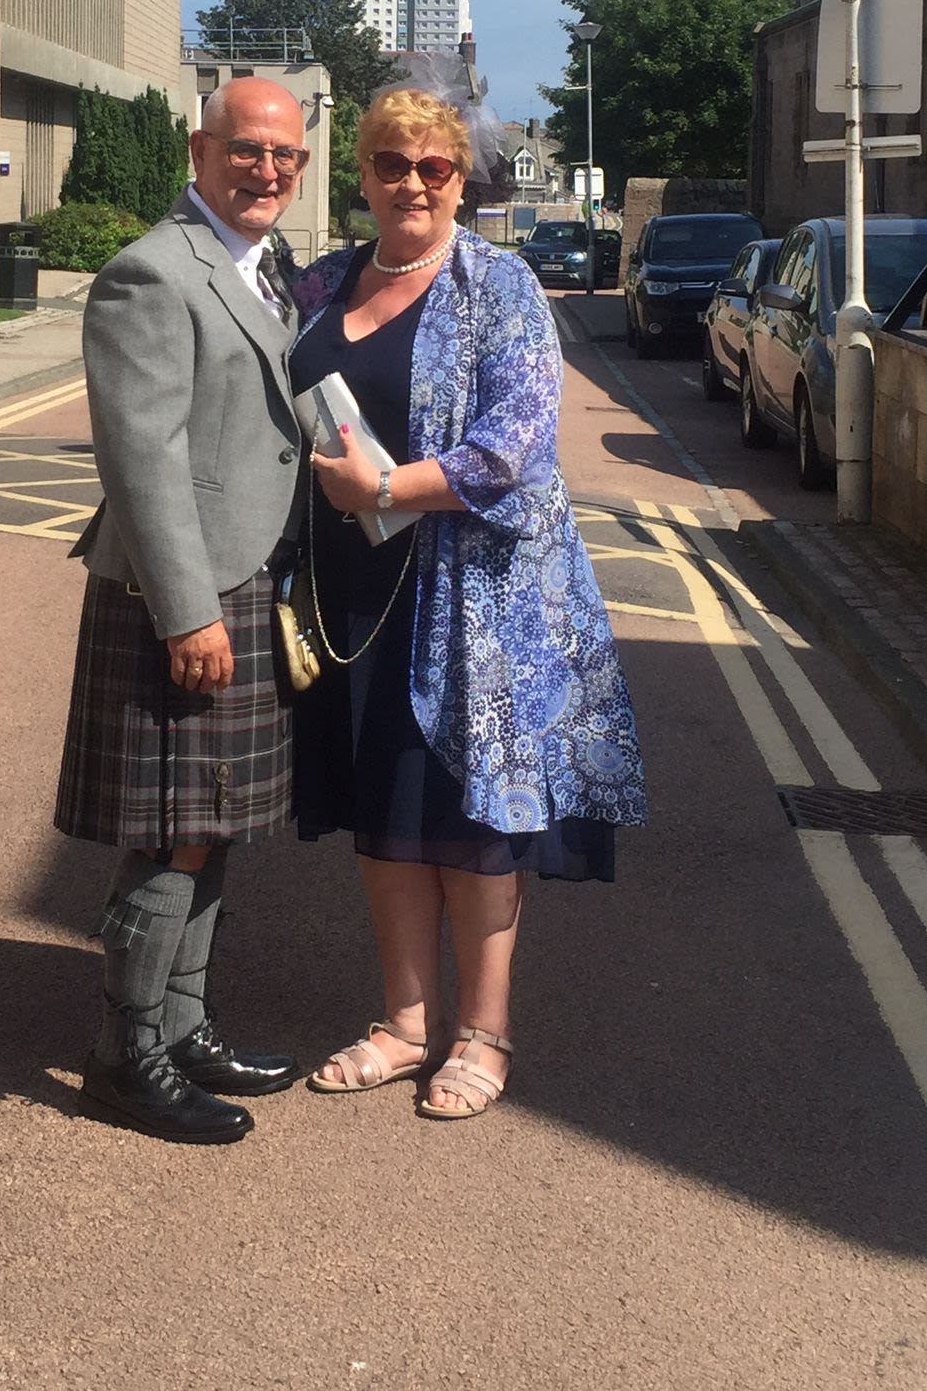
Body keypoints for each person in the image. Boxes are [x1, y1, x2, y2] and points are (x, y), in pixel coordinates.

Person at [290, 85, 647, 1119]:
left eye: (433, 166)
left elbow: (515, 443)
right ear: (362, 175)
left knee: (469, 818)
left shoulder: (499, 283)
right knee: (385, 807)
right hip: (356, 585)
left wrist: (384, 489)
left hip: (475, 597)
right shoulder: (322, 280)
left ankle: (483, 1033)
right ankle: (405, 1023)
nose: (412, 182)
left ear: (459, 181)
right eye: (391, 163)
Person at [54, 78, 310, 1144]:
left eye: (285, 156)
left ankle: (185, 1027)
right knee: (173, 836)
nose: (267, 170)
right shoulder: (152, 272)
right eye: (246, 150)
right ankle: (125, 1056)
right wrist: (187, 611)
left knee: (213, 824)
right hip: (190, 592)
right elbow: (142, 457)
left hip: (249, 579)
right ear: (200, 152)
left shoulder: (261, 265)